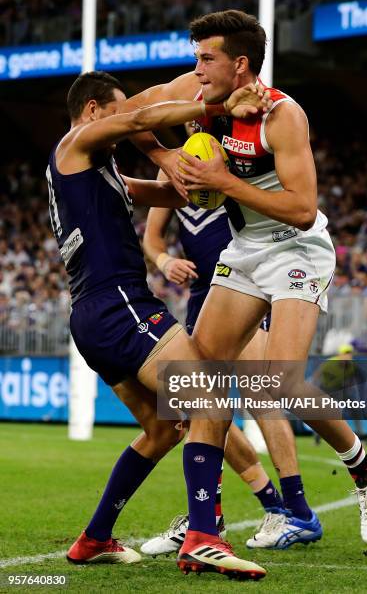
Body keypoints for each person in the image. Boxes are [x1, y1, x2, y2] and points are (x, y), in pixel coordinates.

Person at [125, 10, 367, 547]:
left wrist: (223, 181)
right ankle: (207, 520)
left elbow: (300, 208)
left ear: (240, 63)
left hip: (298, 247)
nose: (195, 68)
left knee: (280, 380)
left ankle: (366, 471)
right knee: (197, 384)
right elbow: (131, 114)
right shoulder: (195, 93)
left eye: (207, 58)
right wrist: (163, 157)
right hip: (244, 248)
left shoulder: (282, 115)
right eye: (196, 57)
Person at [50, 70, 269, 579]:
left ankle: (94, 538)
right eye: (116, 112)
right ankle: (202, 539)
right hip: (120, 305)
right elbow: (145, 118)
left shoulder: (100, 174)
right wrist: (215, 109)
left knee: (161, 429)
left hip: (93, 315)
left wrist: (208, 180)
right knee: (209, 402)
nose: (126, 123)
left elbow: (171, 196)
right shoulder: (77, 142)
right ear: (91, 112)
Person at [141, 195, 320, 554]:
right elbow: (151, 237)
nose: (196, 132)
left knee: (259, 392)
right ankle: (215, 516)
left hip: (244, 285)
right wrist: (163, 260)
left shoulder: (234, 157)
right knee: (198, 405)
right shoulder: (173, 170)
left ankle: (298, 511)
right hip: (201, 295)